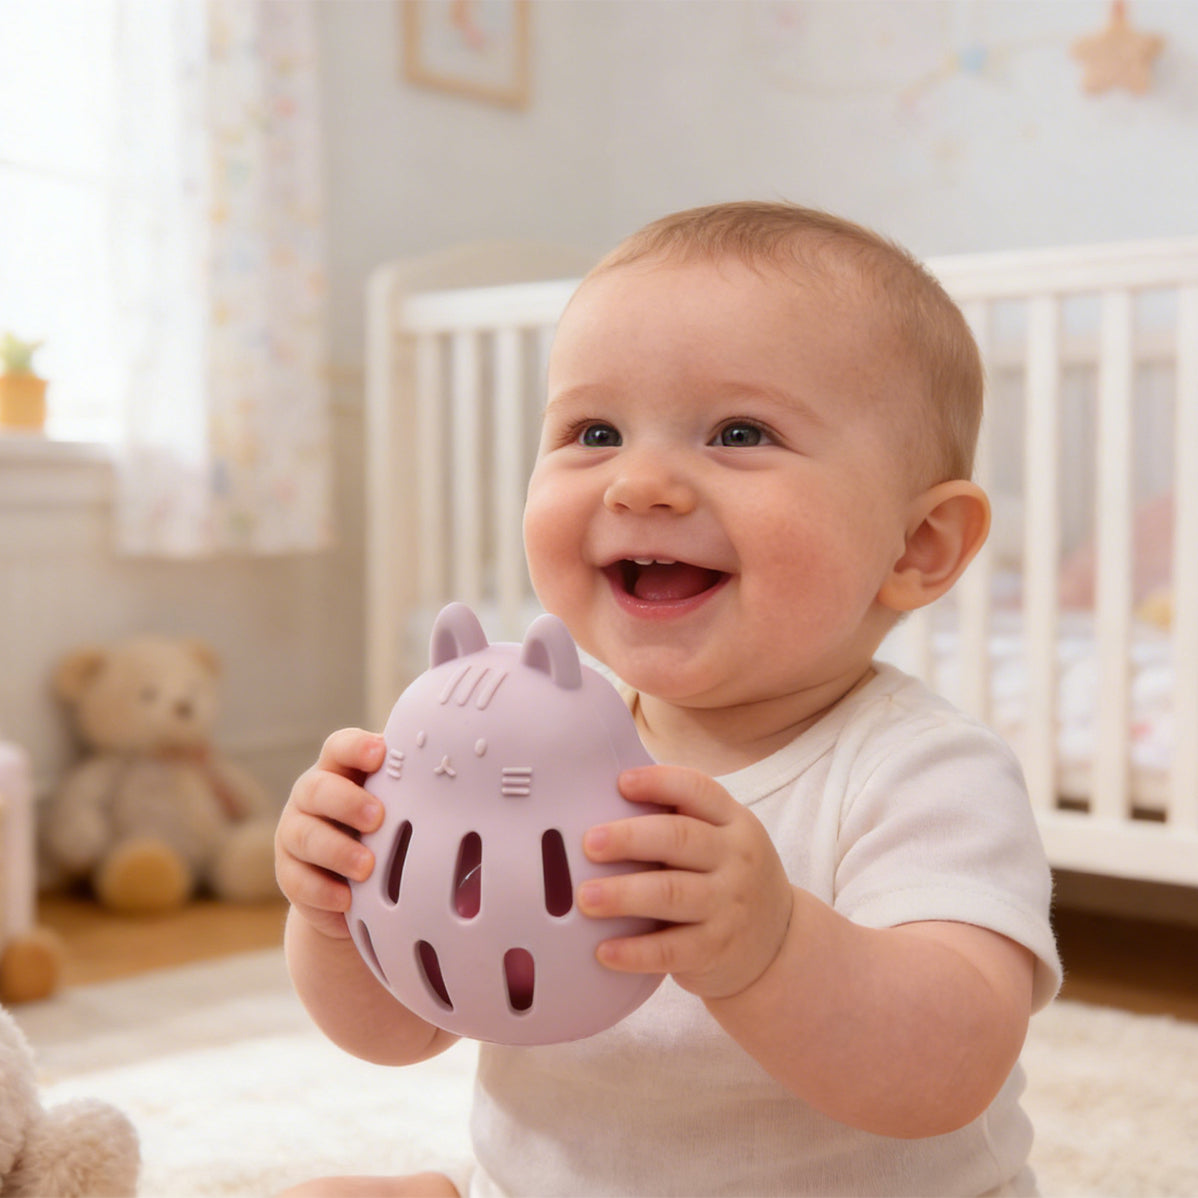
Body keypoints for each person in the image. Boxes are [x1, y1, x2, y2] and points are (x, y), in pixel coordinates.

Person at [274, 201, 1061, 1197]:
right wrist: (338, 905)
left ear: (917, 546)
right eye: (593, 431)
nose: (640, 483)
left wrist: (772, 947)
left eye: (739, 432)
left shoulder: (922, 772)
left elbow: (946, 1072)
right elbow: (404, 1026)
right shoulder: (517, 755)